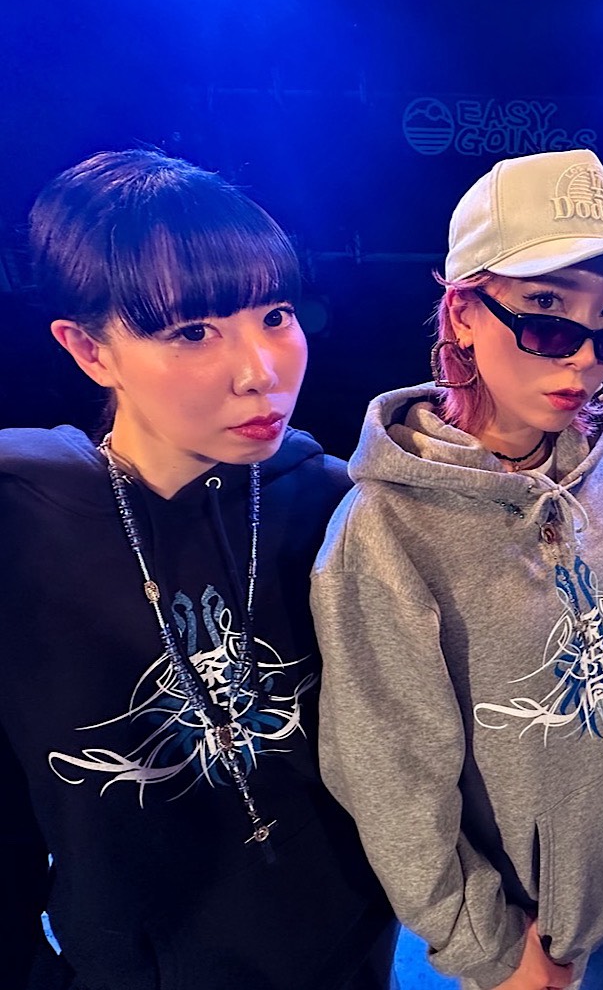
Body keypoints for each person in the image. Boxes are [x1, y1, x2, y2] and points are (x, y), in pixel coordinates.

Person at [311, 148, 603, 990]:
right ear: (462, 314)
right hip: (526, 921)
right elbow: (388, 778)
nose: (583, 359)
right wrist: (487, 947)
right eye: (547, 315)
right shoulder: (384, 531)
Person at [0, 150, 397, 990]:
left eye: (275, 315)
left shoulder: (334, 504)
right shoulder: (24, 528)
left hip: (350, 954)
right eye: (192, 332)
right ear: (89, 350)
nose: (261, 372)